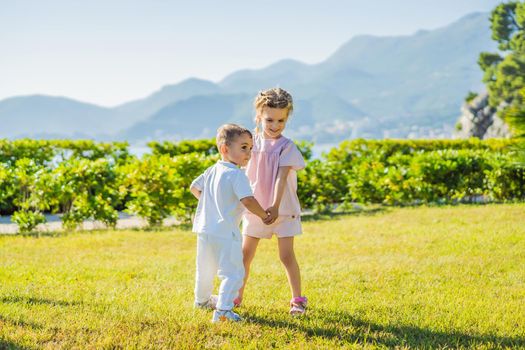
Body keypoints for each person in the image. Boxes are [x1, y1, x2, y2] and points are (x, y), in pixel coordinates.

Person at [190, 123, 272, 323]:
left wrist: (211, 203)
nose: (249, 153)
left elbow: (194, 187)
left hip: (205, 230)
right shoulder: (237, 175)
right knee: (233, 272)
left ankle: (201, 301)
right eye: (243, 147)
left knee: (205, 268)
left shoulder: (212, 170)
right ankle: (224, 310)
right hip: (226, 232)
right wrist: (264, 215)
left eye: (251, 148)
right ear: (225, 149)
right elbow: (248, 200)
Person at [237, 87, 308, 315]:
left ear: (287, 118)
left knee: (286, 255)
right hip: (255, 209)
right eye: (269, 119)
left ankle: (297, 300)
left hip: (282, 209)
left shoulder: (287, 147)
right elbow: (239, 171)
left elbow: (281, 177)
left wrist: (275, 207)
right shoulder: (250, 143)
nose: (275, 125)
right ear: (259, 116)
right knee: (244, 255)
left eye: (281, 120)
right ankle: (236, 296)